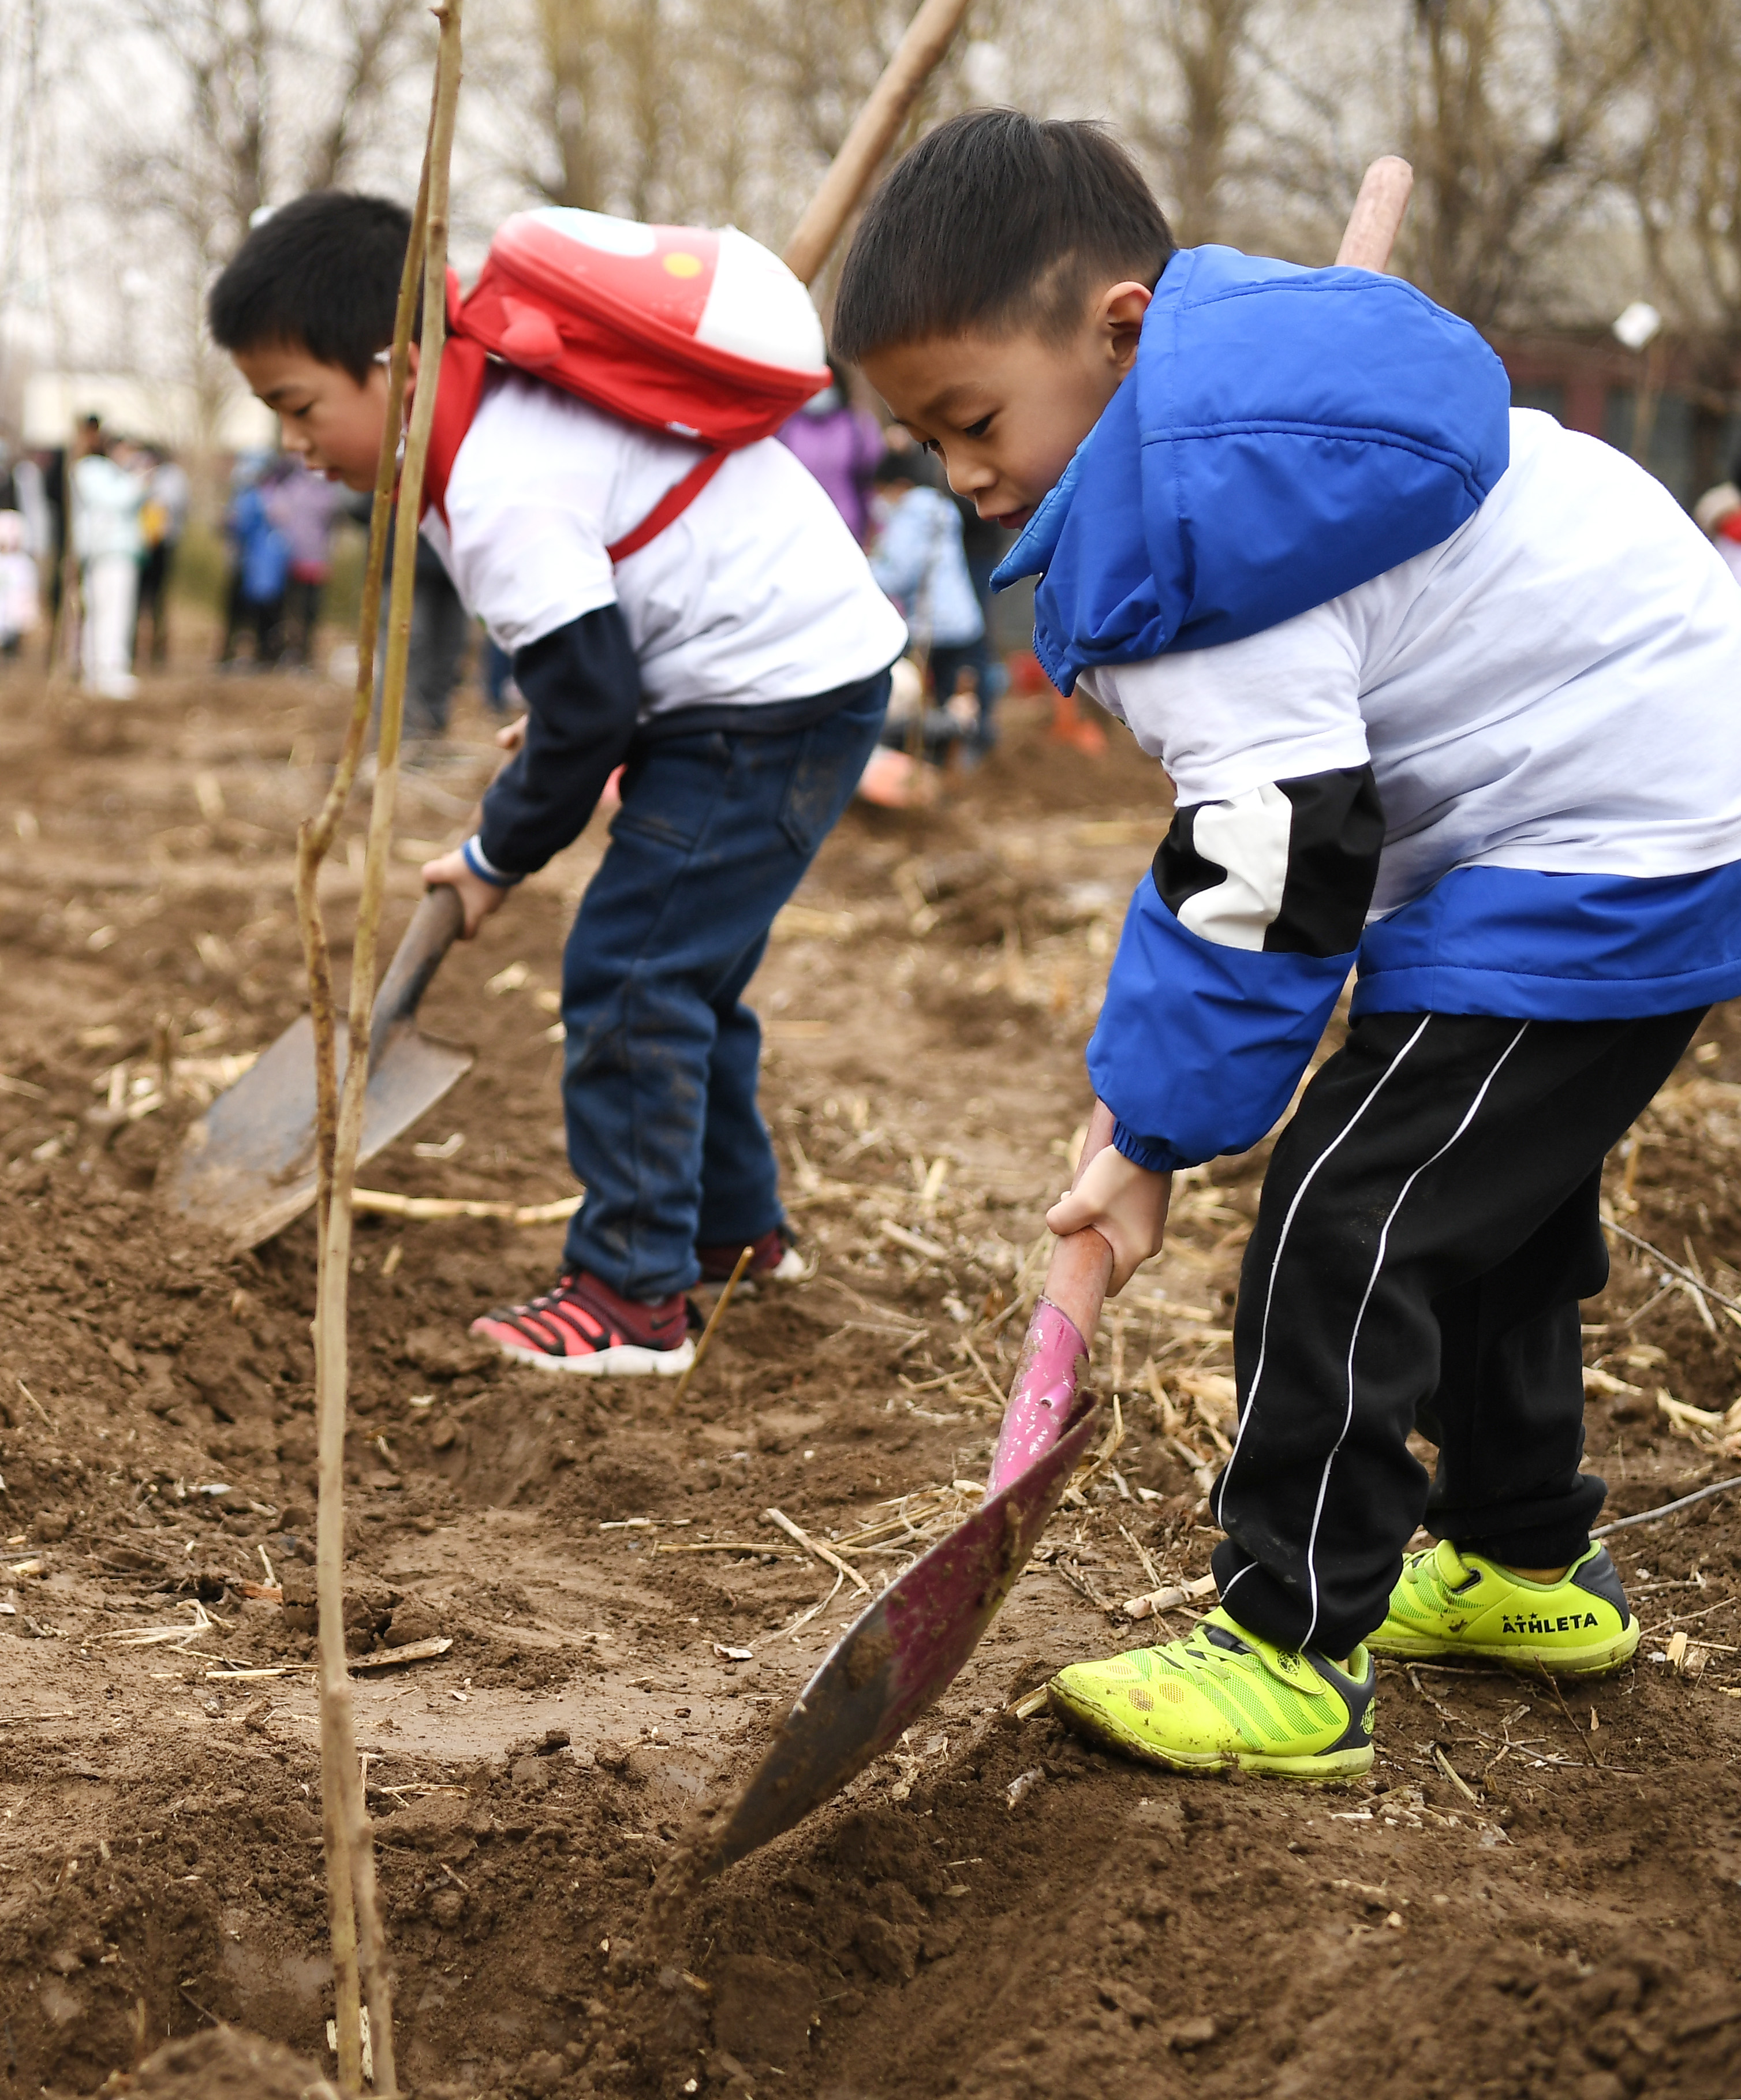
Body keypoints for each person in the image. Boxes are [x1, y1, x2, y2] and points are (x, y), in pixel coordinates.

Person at [832, 110, 1741, 1778]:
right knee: (1491, 1194)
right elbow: (1256, 840)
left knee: (1347, 1216)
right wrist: (1148, 1084)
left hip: (1607, 836)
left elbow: (1272, 866)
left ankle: (1290, 1643)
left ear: (1118, 332)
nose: (961, 476)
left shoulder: (1208, 533)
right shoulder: (1245, 416)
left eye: (972, 421)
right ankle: (1526, 1561)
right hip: (1649, 786)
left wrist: (1161, 1133)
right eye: (924, 439)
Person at [210, 192, 905, 1374]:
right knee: (686, 976)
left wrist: (492, 857)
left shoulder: (491, 483)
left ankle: (631, 1296)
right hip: (770, 677)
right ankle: (734, 1236)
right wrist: (566, 725)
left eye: (298, 406)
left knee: (630, 972)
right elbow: (591, 673)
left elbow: (588, 713)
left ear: (395, 366)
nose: (293, 444)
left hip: (766, 698)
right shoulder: (489, 420)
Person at [868, 447, 985, 760]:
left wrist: (867, 573)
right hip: (962, 619)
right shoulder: (941, 510)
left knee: (924, 701)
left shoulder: (910, 517)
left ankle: (935, 759)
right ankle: (963, 756)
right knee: (956, 695)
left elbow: (899, 574)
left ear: (899, 486)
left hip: (932, 624)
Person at [776, 356, 886, 544]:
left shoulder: (857, 425)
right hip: (797, 533)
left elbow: (872, 479)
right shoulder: (786, 427)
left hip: (848, 530)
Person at [70, 427, 145, 698]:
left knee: (105, 610)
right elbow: (117, 500)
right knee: (110, 610)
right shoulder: (93, 471)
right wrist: (138, 483)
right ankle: (106, 668)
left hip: (110, 551)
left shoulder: (104, 473)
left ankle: (102, 667)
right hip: (107, 551)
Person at [263, 457, 340, 668]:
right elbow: (275, 515)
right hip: (289, 559)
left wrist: (328, 558)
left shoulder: (328, 493)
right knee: (289, 609)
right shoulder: (289, 488)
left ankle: (305, 654)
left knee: (310, 611)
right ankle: (287, 650)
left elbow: (332, 531)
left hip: (315, 562)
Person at [219, 455, 291, 667]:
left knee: (262, 613)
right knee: (246, 613)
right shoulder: (252, 497)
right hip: (251, 564)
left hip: (260, 566)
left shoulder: (264, 497)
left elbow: (242, 525)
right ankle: (243, 653)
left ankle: (264, 654)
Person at [135, 446, 190, 668]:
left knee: (158, 600)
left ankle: (159, 651)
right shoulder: (136, 471)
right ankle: (133, 648)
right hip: (140, 544)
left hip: (164, 545)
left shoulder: (173, 478)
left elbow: (178, 505)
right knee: (137, 600)